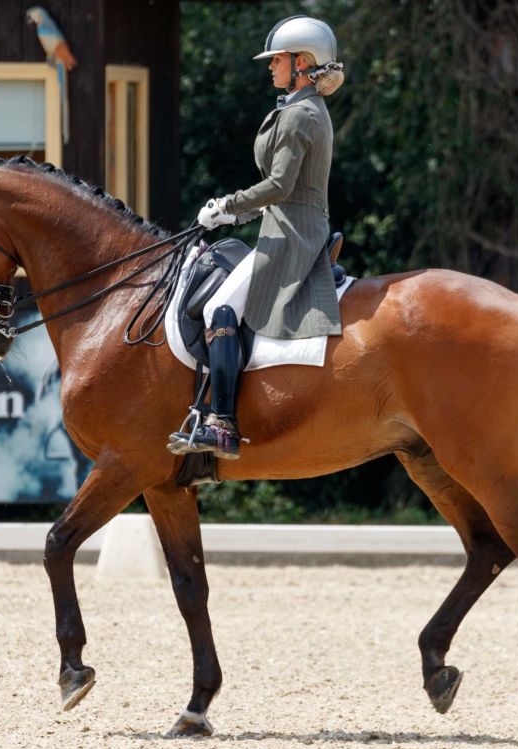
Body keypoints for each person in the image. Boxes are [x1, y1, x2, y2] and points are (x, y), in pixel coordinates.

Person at [169, 15, 345, 461]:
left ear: (302, 63)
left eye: (278, 60)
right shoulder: (301, 109)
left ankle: (222, 424)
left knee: (218, 307)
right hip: (286, 224)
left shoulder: (301, 115)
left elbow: (282, 186)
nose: (270, 67)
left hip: (291, 236)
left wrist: (227, 206)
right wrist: (238, 213)